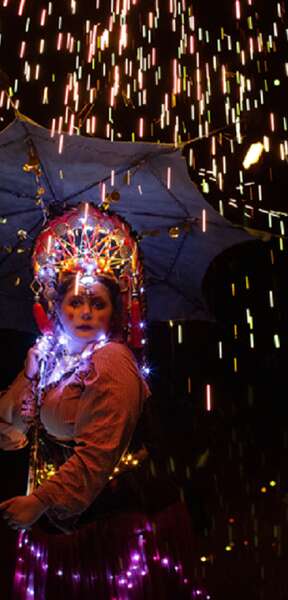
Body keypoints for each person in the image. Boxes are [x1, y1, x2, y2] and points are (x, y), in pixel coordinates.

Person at [0, 203, 205, 599]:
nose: (85, 313)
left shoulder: (112, 362)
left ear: (114, 312)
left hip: (111, 528)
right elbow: (10, 426)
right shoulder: (53, 359)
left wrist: (39, 501)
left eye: (97, 303)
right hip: (58, 526)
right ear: (55, 309)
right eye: (74, 302)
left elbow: (100, 452)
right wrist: (29, 373)